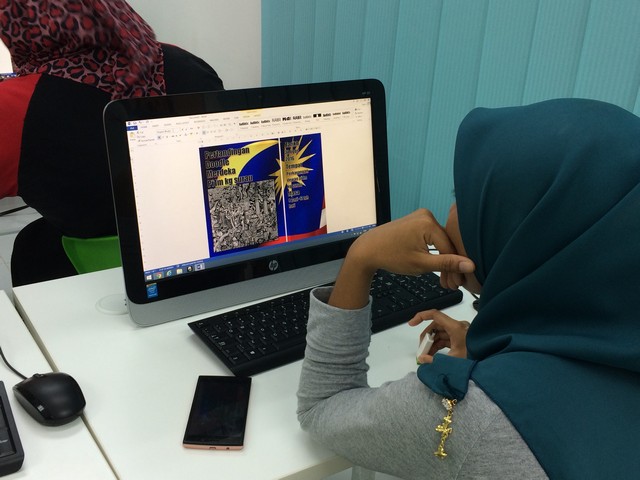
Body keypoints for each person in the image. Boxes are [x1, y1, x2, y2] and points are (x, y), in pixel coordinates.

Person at [297, 98, 640, 478]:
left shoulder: (476, 414)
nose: (449, 215)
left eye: (460, 198)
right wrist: (485, 344)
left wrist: (362, 256)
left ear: (528, 230)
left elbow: (322, 407)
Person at [0, 0, 224, 286]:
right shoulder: (188, 64)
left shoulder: (14, 107)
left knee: (32, 246)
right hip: (202, 256)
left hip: (93, 275)